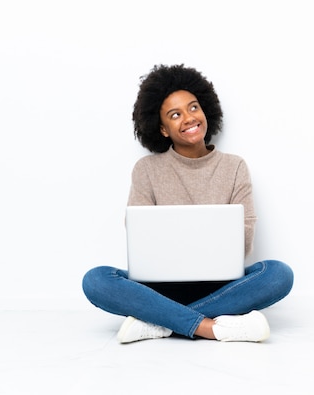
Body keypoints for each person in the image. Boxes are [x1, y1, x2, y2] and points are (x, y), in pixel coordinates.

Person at [82, 64, 294, 344]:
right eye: (175, 114)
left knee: (278, 274)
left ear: (206, 110)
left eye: (193, 108)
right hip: (160, 289)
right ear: (163, 129)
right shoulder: (146, 170)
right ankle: (210, 327)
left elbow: (243, 241)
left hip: (222, 286)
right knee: (96, 279)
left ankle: (160, 322)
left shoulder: (234, 167)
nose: (188, 118)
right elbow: (141, 239)